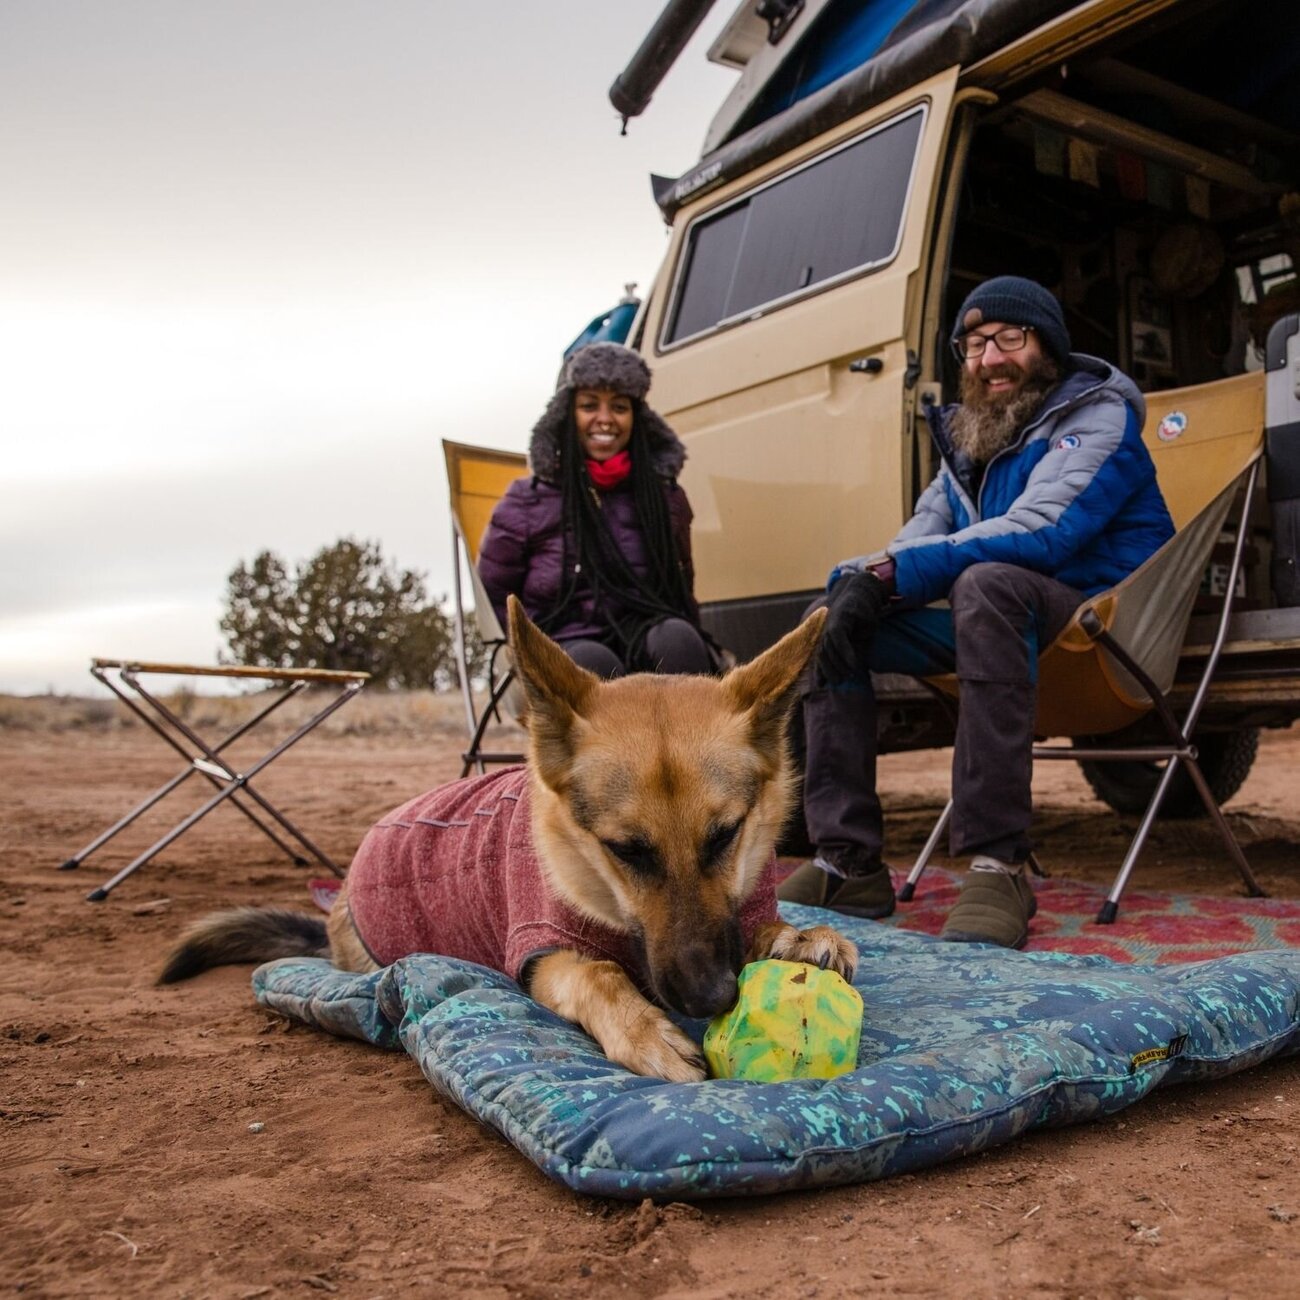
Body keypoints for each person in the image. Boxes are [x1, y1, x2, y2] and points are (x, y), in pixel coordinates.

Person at [779, 276, 1176, 947]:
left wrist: (889, 574)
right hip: (1003, 629)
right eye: (973, 344)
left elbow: (1044, 531)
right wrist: (858, 581)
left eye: (1008, 338)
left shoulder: (1098, 417)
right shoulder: (968, 443)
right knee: (832, 621)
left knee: (987, 584)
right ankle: (846, 863)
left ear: (1046, 347)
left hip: (1102, 627)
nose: (989, 358)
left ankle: (1000, 866)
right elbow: (917, 538)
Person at [478, 342, 716, 677]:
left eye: (619, 407)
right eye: (589, 405)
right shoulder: (526, 501)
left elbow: (681, 588)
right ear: (566, 415)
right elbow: (494, 595)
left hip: (642, 631)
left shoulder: (664, 498)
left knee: (678, 639)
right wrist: (526, 652)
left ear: (637, 419)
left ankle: (695, 714)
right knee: (595, 666)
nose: (605, 419)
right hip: (561, 639)